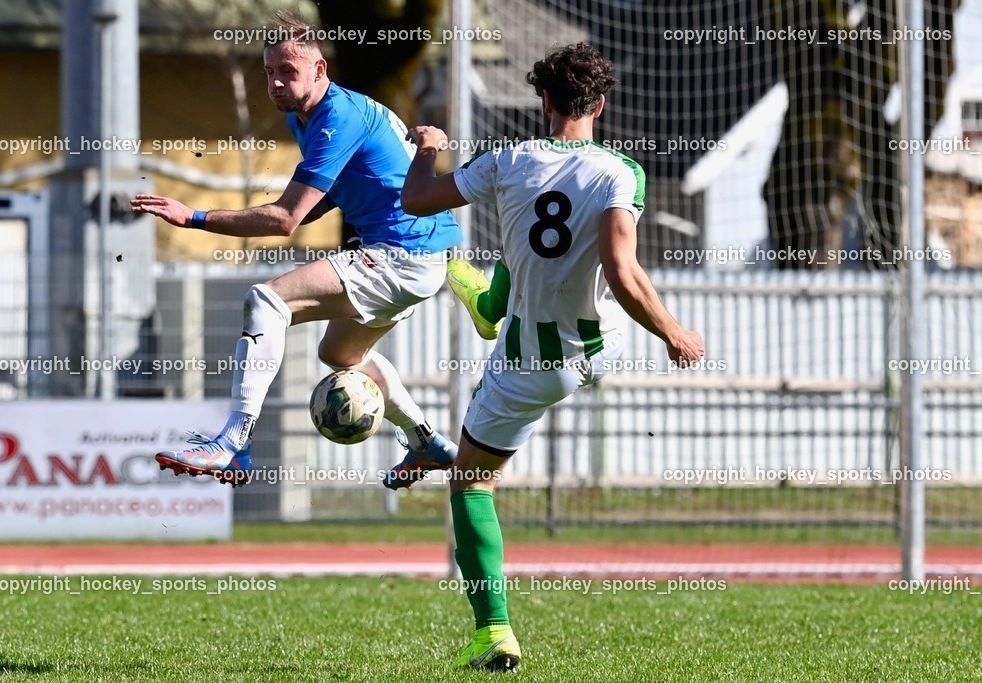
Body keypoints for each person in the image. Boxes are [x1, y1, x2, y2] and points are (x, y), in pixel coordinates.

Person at [401, 43, 706, 672]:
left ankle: (493, 631)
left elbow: (419, 201)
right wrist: (673, 332)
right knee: (549, 261)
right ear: (599, 105)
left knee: (470, 483)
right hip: (600, 346)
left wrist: (428, 144)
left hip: (527, 364)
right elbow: (623, 272)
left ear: (543, 102)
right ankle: (493, 300)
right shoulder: (621, 172)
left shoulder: (505, 160)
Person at [131, 11, 460, 490]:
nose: (277, 82)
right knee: (341, 355)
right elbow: (320, 200)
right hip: (417, 256)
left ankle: (231, 444)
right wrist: (284, 210)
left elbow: (287, 218)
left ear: (319, 71)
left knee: (267, 300)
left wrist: (196, 217)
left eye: (288, 70)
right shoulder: (305, 117)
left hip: (403, 253)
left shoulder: (336, 116)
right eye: (269, 72)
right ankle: (426, 440)